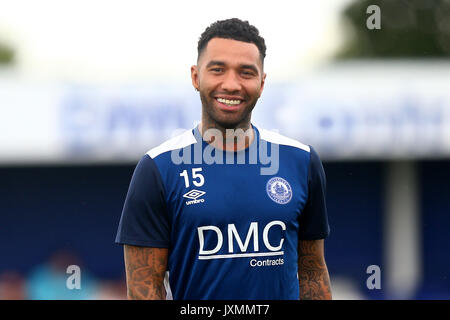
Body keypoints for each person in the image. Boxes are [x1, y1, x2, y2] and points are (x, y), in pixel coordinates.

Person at [115, 18, 332, 300]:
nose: (231, 84)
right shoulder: (158, 168)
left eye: (246, 72)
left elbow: (312, 272)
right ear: (196, 76)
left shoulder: (301, 161)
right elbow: (145, 289)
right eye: (217, 70)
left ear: (262, 83)